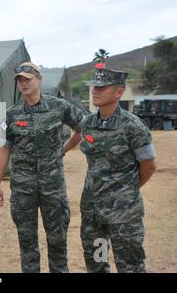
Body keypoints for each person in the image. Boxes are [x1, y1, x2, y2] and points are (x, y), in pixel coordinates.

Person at [0, 62, 85, 273]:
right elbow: (5, 148)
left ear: (39, 79)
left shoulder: (59, 106)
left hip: (52, 188)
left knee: (57, 240)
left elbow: (82, 128)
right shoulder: (12, 114)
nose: (23, 83)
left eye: (28, 79)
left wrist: (63, 150)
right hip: (23, 189)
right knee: (27, 243)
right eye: (20, 80)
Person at [80, 68, 156, 273]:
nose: (95, 91)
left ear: (119, 92)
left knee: (130, 266)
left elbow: (149, 166)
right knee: (97, 262)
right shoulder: (88, 124)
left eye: (102, 87)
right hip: (93, 212)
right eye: (94, 87)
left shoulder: (133, 126)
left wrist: (126, 190)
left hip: (123, 213)